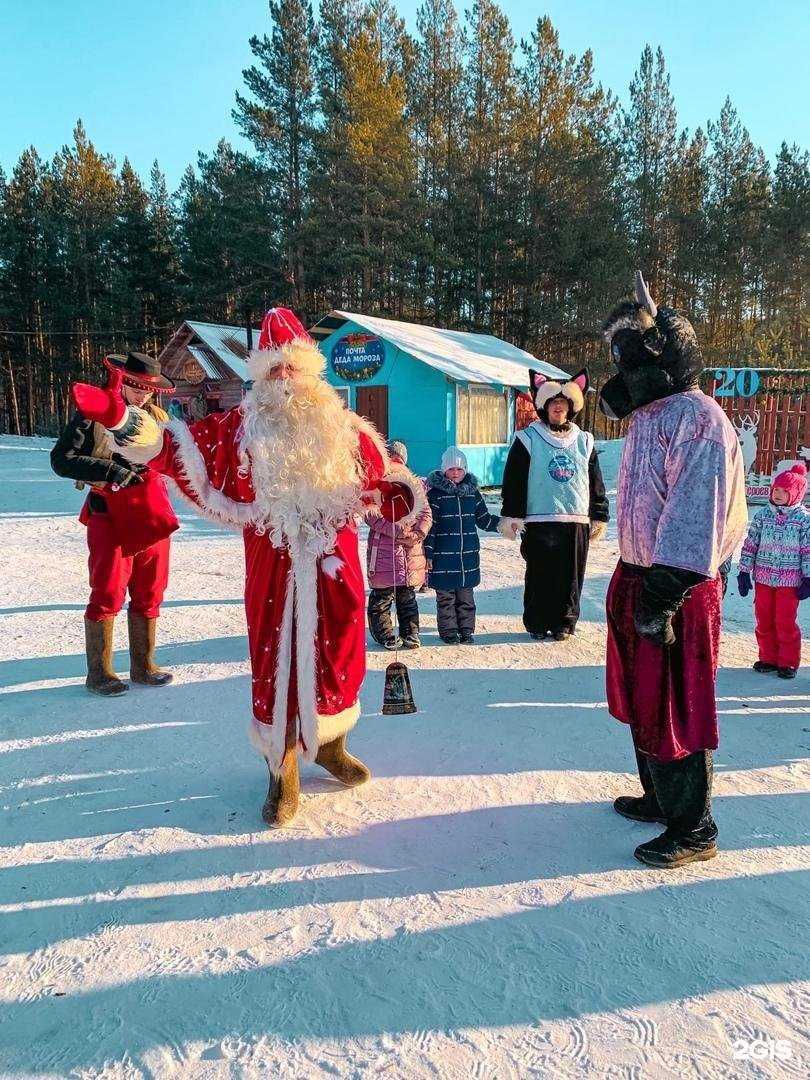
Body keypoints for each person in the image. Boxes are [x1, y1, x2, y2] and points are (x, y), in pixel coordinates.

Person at [70, 309, 415, 827]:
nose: (283, 378)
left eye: (290, 368)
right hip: (272, 560)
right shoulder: (239, 427)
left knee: (340, 651)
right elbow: (179, 446)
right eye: (272, 369)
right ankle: (283, 772)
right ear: (259, 374)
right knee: (275, 660)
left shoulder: (343, 426)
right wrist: (123, 422)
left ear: (310, 370)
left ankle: (330, 742)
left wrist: (395, 493)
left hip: (334, 558)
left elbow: (380, 477)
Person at [600, 272, 747, 869]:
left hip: (675, 586)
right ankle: (662, 798)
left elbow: (695, 517)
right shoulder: (648, 415)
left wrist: (659, 594)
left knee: (674, 705)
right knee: (643, 699)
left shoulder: (699, 418)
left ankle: (694, 825)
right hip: (639, 575)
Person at [51, 352, 178, 696]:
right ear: (123, 382)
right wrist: (109, 471)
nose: (142, 396)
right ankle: (99, 672)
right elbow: (61, 460)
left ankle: (143, 665)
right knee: (107, 591)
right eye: (135, 388)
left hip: (150, 512)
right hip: (108, 512)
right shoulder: (93, 414)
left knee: (151, 589)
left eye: (148, 390)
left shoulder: (159, 418)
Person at [500, 369, 609, 639]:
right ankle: (538, 622)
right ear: (544, 407)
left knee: (570, 577)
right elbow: (514, 479)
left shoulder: (584, 440)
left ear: (571, 408)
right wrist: (512, 514)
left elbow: (595, 480)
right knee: (540, 575)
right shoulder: (528, 438)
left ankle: (564, 622)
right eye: (553, 403)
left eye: (563, 404)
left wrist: (599, 513)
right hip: (539, 519)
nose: (558, 407)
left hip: (575, 520)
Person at [737, 463, 810, 679]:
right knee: (764, 619)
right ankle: (768, 657)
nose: (777, 494)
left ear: (795, 493)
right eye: (776, 490)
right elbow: (750, 544)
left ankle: (788, 662)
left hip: (790, 581)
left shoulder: (803, 520)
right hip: (763, 578)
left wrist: (808, 576)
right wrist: (743, 570)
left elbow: (808, 550)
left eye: (784, 491)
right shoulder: (762, 516)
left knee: (784, 622)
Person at [424, 447, 500, 644]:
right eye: (451, 469)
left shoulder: (472, 494)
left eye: (459, 469)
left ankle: (466, 630)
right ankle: (449, 632)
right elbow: (430, 526)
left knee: (466, 596)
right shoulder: (435, 495)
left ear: (465, 470)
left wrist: (504, 524)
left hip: (467, 556)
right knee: (446, 598)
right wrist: (428, 554)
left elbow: (484, 519)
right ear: (444, 471)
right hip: (443, 555)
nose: (455, 473)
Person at [365, 441, 432, 650]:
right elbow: (371, 514)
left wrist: (416, 533)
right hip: (389, 549)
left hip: (406, 550)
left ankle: (403, 633)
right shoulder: (379, 484)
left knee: (392, 597)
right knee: (399, 596)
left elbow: (424, 512)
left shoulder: (414, 484)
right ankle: (401, 633)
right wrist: (411, 533)